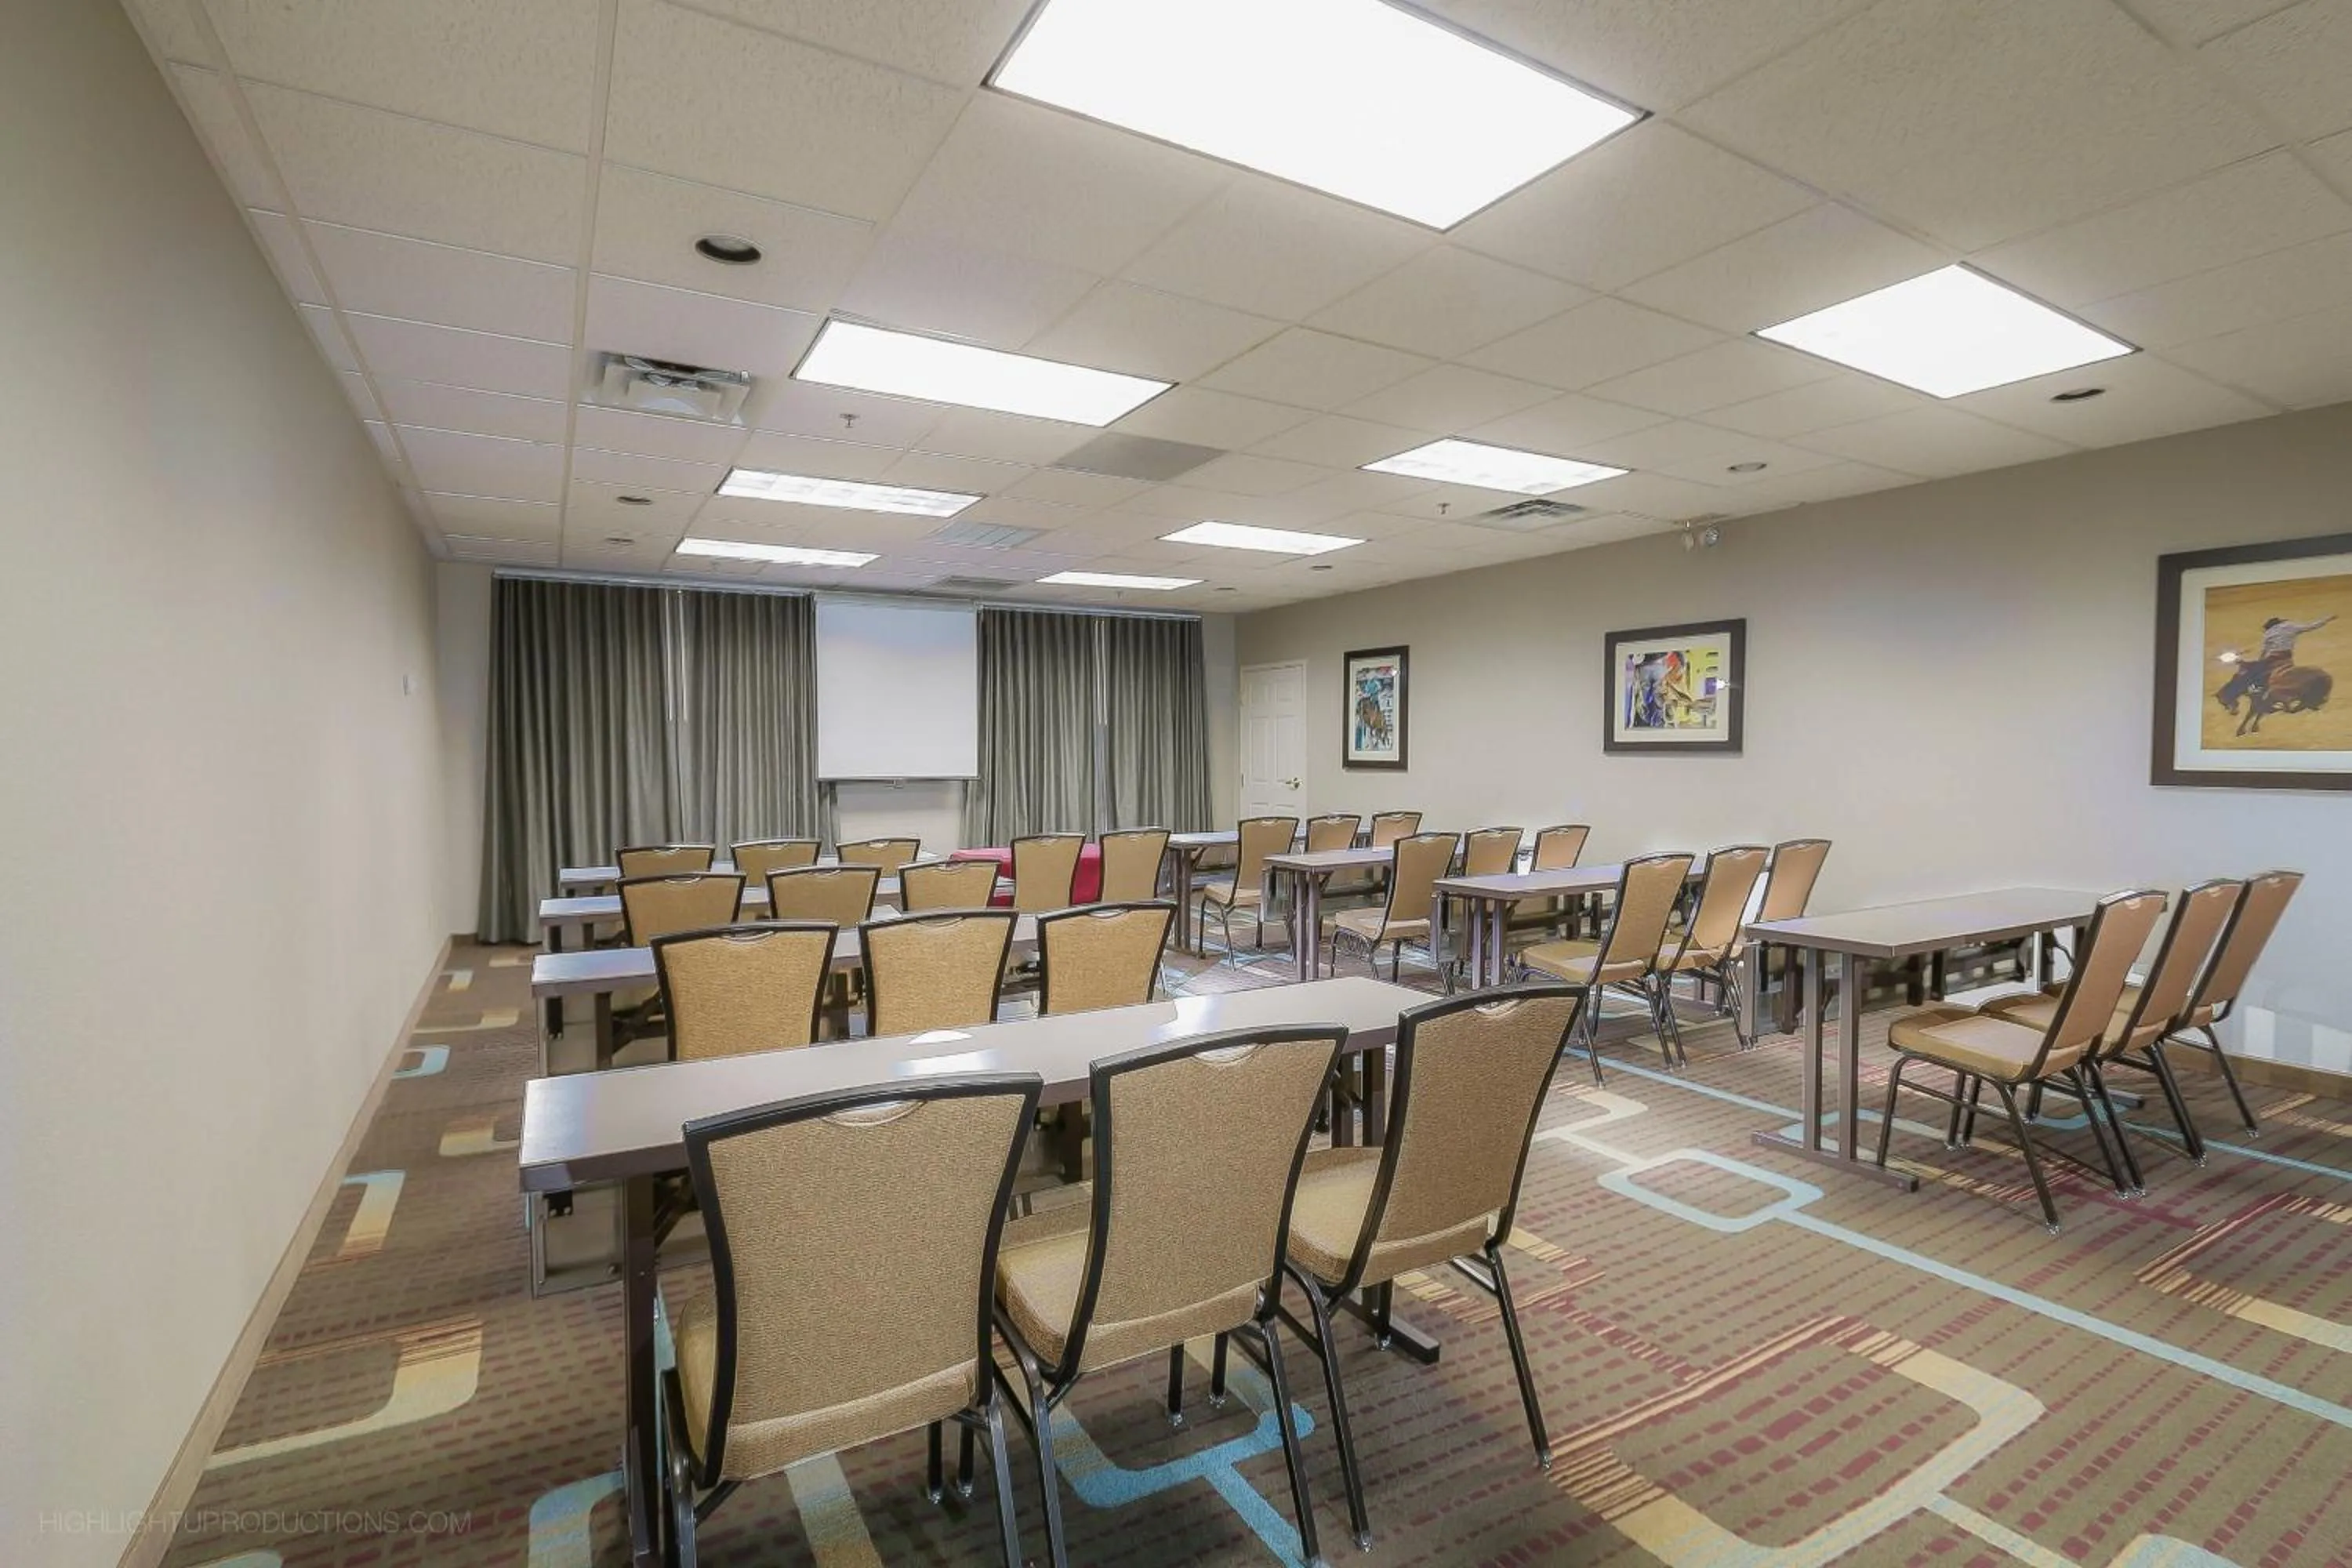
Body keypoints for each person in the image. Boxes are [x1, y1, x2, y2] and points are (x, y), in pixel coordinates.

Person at [2253, 612, 2335, 688]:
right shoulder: (2290, 627)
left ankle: (2259, 686)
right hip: (2286, 655)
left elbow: (2264, 650)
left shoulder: (2268, 633)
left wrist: (2260, 662)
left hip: (2273, 655)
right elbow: (2311, 626)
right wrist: (2326, 620)